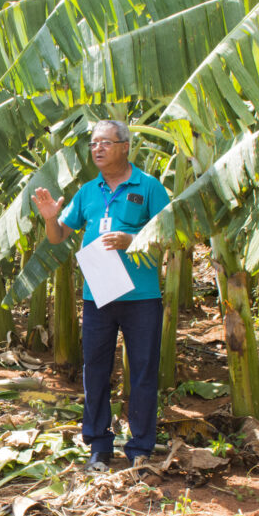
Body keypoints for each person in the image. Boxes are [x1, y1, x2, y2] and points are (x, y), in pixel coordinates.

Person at [31, 119, 170, 473]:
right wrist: (49, 218)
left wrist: (132, 240)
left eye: (105, 142)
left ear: (125, 146)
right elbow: (58, 236)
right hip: (97, 295)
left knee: (143, 372)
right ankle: (98, 445)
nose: (97, 149)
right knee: (94, 370)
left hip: (141, 297)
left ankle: (140, 447)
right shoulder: (88, 192)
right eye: (93, 143)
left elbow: (170, 235)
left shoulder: (149, 187)